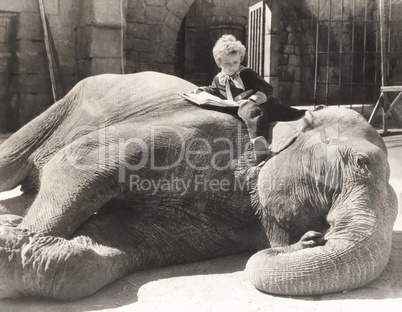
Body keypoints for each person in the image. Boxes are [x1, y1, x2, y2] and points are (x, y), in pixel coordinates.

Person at [195, 34, 306, 163]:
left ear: (240, 59)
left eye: (235, 62)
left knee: (293, 114)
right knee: (242, 110)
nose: (232, 66)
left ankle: (258, 142)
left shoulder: (246, 73)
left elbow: (267, 88)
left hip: (262, 105)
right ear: (219, 63)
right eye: (227, 63)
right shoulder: (218, 79)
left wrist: (252, 99)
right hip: (241, 109)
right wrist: (201, 90)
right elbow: (213, 89)